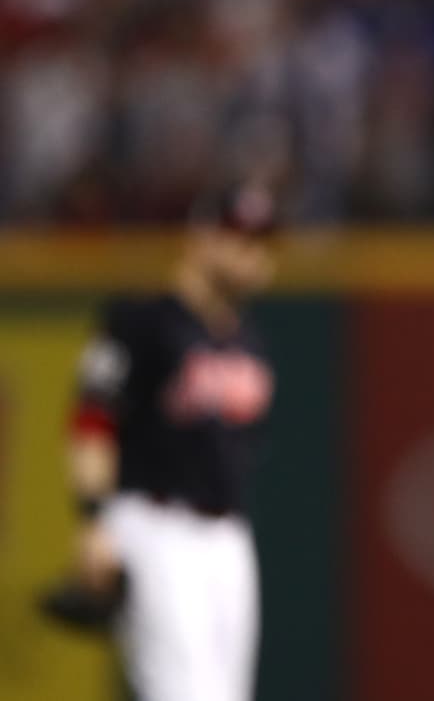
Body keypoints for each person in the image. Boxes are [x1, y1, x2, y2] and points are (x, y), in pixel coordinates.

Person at [63, 181, 279, 701]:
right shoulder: (139, 321)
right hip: (153, 525)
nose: (249, 253)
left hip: (226, 537)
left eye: (261, 240)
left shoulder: (247, 340)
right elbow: (92, 420)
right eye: (235, 235)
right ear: (200, 237)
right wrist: (93, 521)